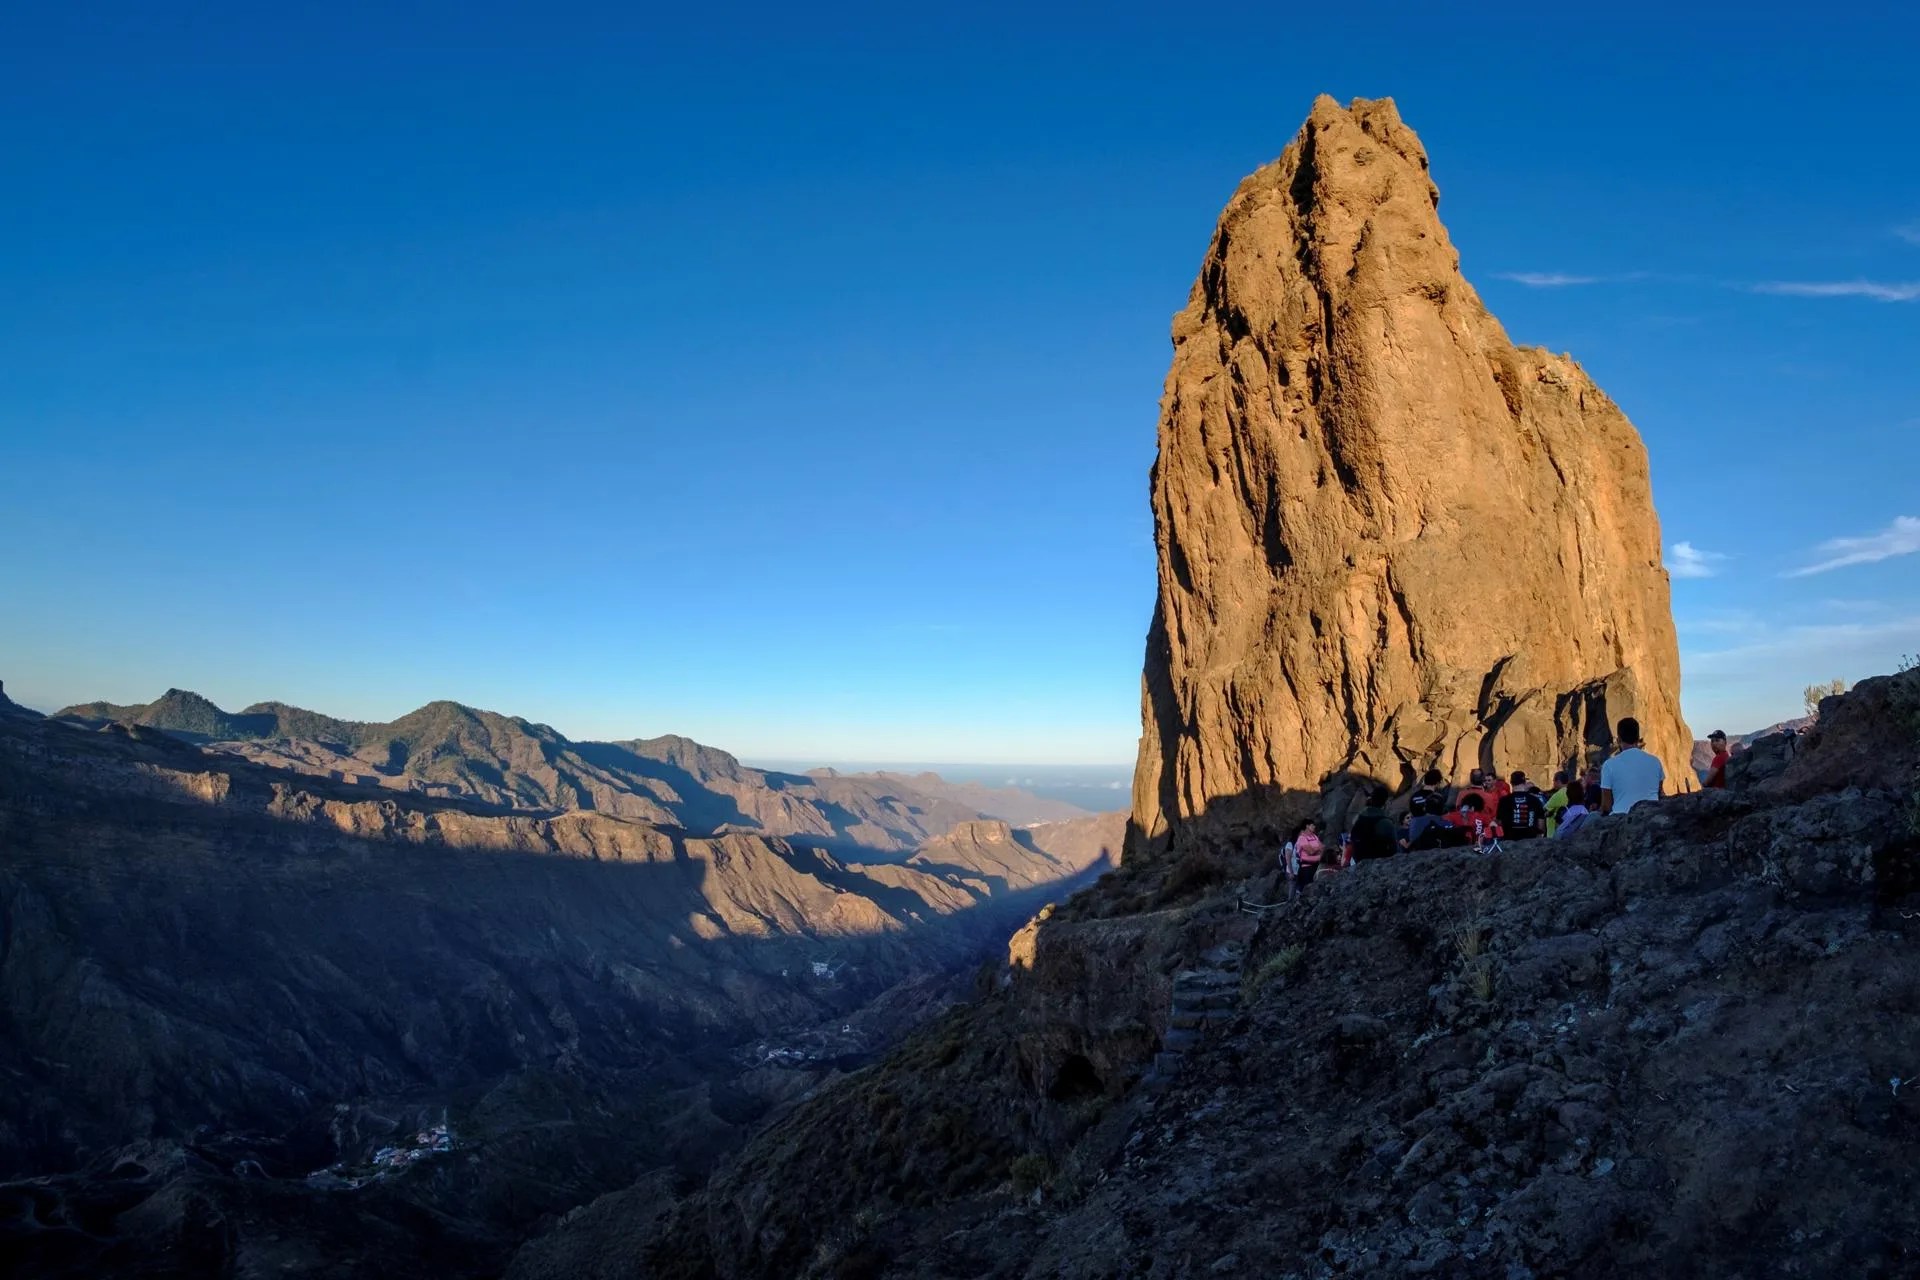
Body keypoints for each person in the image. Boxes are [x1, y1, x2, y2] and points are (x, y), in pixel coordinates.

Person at [1599, 717, 1666, 814]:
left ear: (1619, 739)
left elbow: (1606, 806)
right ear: (1638, 738)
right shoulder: (1655, 762)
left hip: (1621, 818)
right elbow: (1659, 793)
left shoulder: (1609, 765)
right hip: (1651, 815)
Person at [1349, 786, 1399, 860]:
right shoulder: (1386, 822)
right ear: (1385, 802)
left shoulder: (1358, 818)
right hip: (1378, 861)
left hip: (1359, 859)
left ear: (1371, 799)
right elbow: (1395, 848)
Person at [1497, 771, 1546, 841]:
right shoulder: (1535, 800)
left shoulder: (1504, 801)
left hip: (1510, 841)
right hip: (1530, 841)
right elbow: (1541, 826)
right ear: (1525, 782)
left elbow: (1499, 822)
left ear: (1511, 783)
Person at [1292, 819, 1325, 892]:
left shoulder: (1315, 836)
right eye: (1312, 825)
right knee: (1307, 890)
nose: (1314, 827)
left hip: (1317, 866)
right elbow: (1310, 851)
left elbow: (1322, 848)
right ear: (1307, 826)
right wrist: (1318, 848)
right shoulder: (1302, 838)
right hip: (1306, 868)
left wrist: (1316, 849)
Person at [1544, 770, 1571, 838]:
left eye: (1554, 781)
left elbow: (1545, 808)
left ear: (1558, 781)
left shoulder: (1558, 795)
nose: (1553, 783)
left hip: (1554, 833)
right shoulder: (1571, 792)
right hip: (1567, 831)